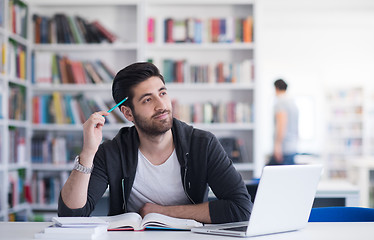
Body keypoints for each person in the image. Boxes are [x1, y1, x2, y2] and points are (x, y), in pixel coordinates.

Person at [58, 62, 252, 224]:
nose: (161, 106)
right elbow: (71, 216)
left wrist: (161, 212)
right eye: (147, 100)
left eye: (162, 93)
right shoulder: (112, 152)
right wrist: (88, 153)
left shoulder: (203, 145)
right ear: (127, 113)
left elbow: (241, 208)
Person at [268, 79, 299, 165]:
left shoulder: (280, 103)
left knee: (269, 174)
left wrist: (277, 146)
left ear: (276, 88)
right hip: (292, 146)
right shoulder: (293, 103)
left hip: (284, 148)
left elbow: (282, 125)